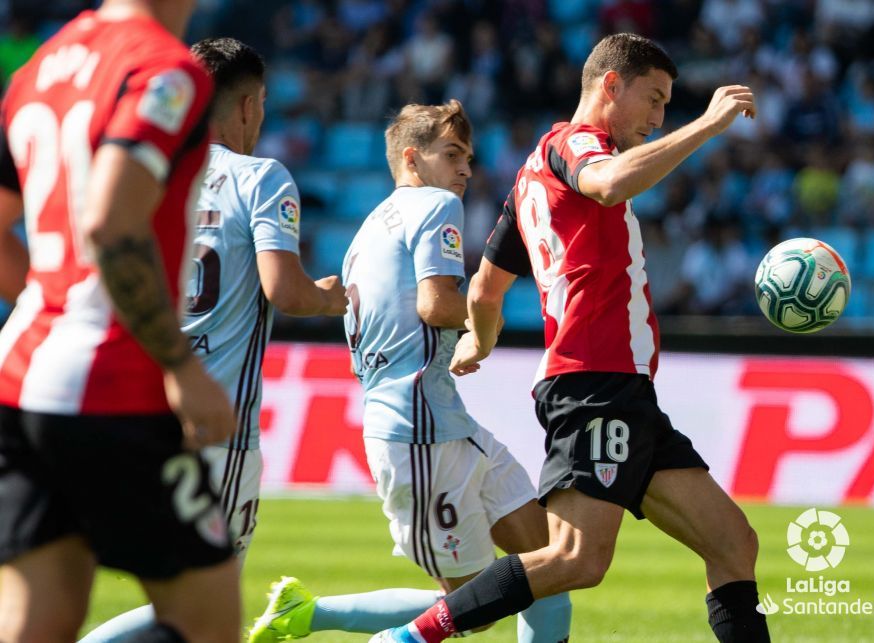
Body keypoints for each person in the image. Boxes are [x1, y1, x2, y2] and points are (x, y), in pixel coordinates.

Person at [371, 33, 770, 643]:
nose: (659, 117)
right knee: (575, 559)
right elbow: (609, 184)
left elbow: (484, 289)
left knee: (734, 542)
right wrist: (706, 126)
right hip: (595, 382)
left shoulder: (532, 178)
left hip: (622, 388)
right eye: (654, 99)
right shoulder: (576, 144)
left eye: (669, 105)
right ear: (610, 85)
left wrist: (480, 343)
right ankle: (409, 637)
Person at [249, 100, 571, 642]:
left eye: (469, 157)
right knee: (477, 606)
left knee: (549, 562)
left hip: (443, 421)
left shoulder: (369, 228)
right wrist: (482, 323)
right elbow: (435, 303)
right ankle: (309, 615)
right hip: (417, 433)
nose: (466, 169)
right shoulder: (436, 205)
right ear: (412, 158)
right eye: (452, 154)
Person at [76, 36, 348, 642]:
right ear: (250, 106)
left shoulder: (149, 180)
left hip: (142, 412)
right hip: (216, 425)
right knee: (208, 604)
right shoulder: (262, 177)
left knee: (181, 595)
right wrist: (334, 295)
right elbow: (286, 291)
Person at [0, 2, 242, 642]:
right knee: (210, 626)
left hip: (17, 377)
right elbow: (111, 220)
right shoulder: (165, 68)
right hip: (109, 384)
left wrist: (49, 301)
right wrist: (180, 366)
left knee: (33, 623)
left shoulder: (42, 67)